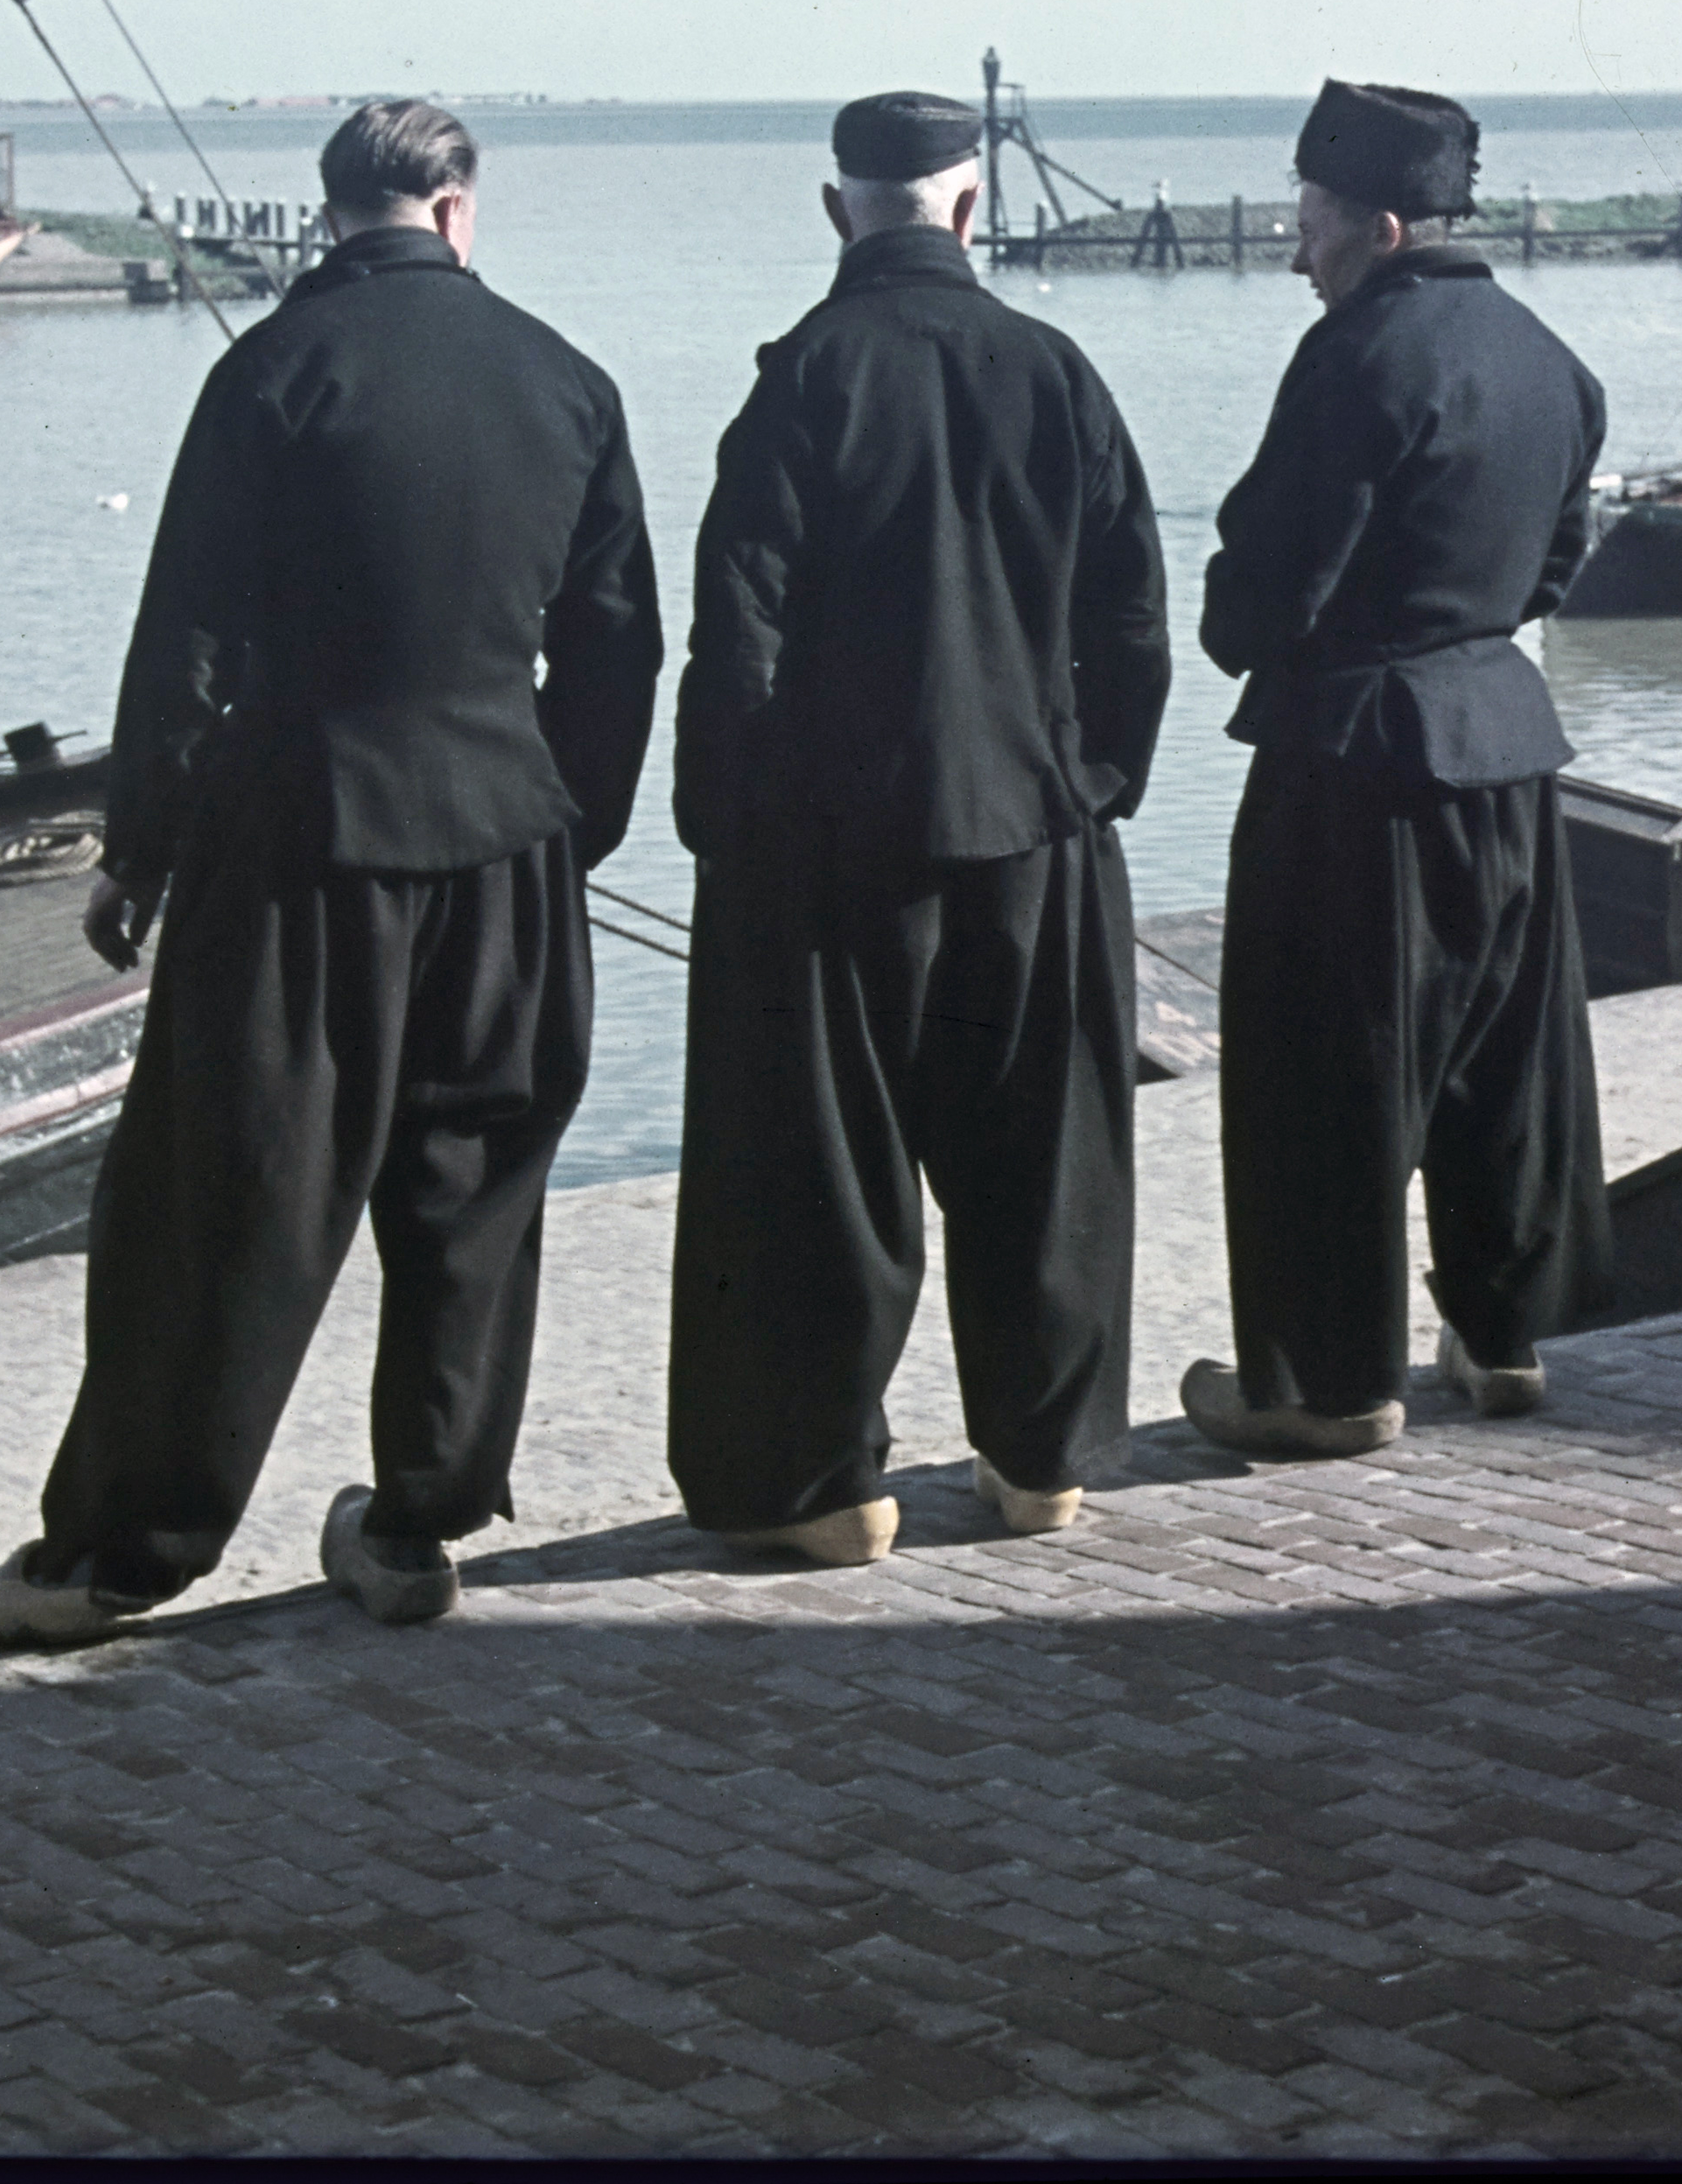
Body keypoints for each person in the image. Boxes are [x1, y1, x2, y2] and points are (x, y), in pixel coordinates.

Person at [0, 100, 659, 1646]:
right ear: (458, 211)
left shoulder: (270, 373)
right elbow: (617, 647)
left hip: (303, 846)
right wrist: (563, 829)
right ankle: (417, 1527)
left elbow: (186, 645)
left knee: (224, 1199)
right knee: (475, 1193)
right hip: (507, 845)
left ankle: (113, 1560)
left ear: (332, 212)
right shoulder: (569, 381)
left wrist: (138, 851)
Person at [664, 91, 1171, 1563]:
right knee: (1046, 1158)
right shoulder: (1058, 373)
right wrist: (1097, 782)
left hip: (835, 846)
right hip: (1034, 826)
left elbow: (738, 633)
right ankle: (1043, 1460)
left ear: (839, 211)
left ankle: (827, 1482)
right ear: (970, 206)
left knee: (825, 1170)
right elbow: (1133, 616)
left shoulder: (803, 379)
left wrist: (723, 822)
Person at [1184, 79, 1610, 1458]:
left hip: (1356, 761)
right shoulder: (1552, 361)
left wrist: (1235, 623)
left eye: (1309, 221)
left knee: (1329, 1075)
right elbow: (1556, 566)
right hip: (1507, 744)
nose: (1294, 252)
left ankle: (1329, 1383)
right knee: (1499, 1066)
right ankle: (1503, 1338)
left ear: (1375, 226)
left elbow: (1269, 590)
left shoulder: (1359, 358)